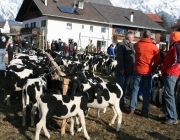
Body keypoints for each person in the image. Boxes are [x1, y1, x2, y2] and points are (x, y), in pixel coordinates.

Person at [129, 30, 160, 117]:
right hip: (147, 70)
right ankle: (145, 111)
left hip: (137, 70)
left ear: (143, 36)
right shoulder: (154, 47)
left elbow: (133, 54)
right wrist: (152, 68)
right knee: (147, 91)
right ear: (150, 37)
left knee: (135, 89)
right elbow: (157, 60)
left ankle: (132, 109)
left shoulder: (137, 44)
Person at [161, 31, 180, 125]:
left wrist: (168, 71)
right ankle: (170, 115)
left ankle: (172, 118)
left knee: (169, 95)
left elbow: (178, 62)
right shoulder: (174, 46)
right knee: (169, 95)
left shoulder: (177, 47)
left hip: (171, 74)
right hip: (171, 73)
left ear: (173, 38)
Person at [116, 31, 135, 105]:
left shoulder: (131, 45)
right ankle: (118, 101)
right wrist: (121, 68)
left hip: (129, 70)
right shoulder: (121, 45)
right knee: (121, 85)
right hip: (123, 70)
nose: (133, 38)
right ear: (129, 37)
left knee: (126, 86)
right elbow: (119, 58)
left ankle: (123, 100)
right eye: (133, 37)